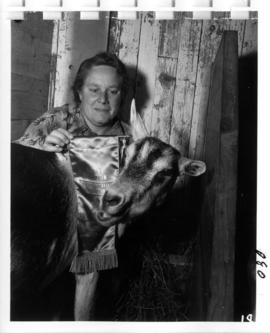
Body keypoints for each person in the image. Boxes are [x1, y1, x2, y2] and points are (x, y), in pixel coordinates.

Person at [16, 52, 132, 320]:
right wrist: (44, 154)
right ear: (80, 92)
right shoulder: (56, 121)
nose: (103, 99)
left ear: (121, 96)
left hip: (99, 252)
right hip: (46, 239)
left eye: (112, 91)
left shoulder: (128, 140)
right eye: (94, 89)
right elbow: (16, 164)